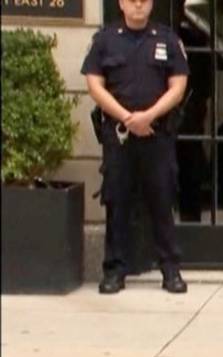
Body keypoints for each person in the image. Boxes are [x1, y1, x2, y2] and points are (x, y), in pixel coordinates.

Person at [82, 0, 189, 294]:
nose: (138, 4)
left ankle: (170, 270)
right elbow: (95, 85)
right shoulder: (105, 39)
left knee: (162, 199)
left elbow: (178, 86)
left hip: (157, 134)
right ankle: (114, 271)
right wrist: (127, 118)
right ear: (121, 3)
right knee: (117, 200)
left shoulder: (167, 39)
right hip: (119, 135)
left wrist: (148, 116)